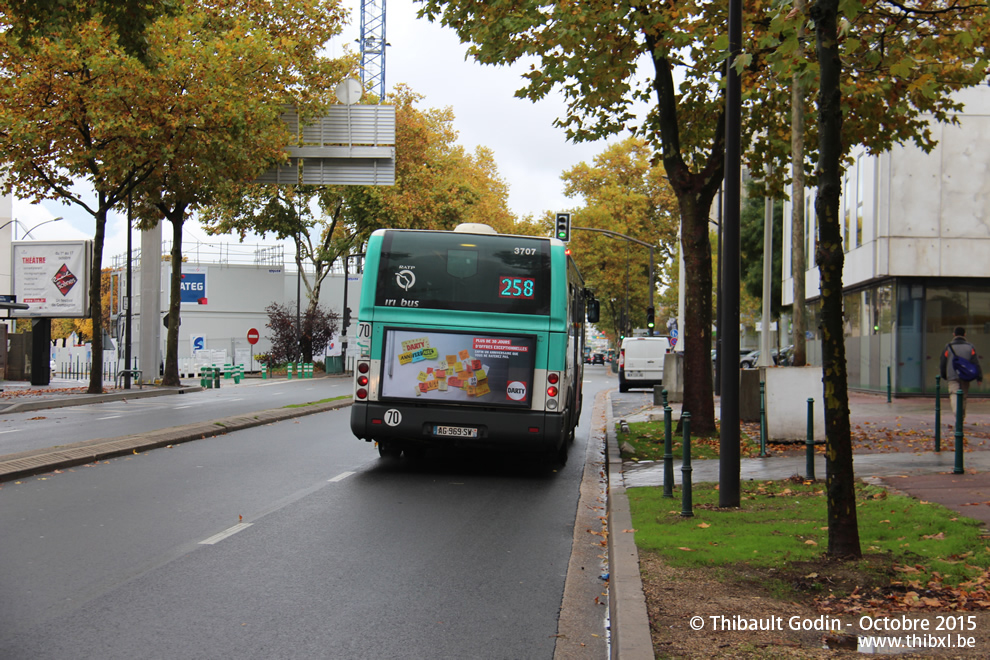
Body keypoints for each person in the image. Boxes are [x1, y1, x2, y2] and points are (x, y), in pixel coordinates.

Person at [940, 326, 983, 424]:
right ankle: (961, 416)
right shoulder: (970, 347)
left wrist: (944, 375)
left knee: (954, 394)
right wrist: (979, 377)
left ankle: (957, 413)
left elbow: (943, 362)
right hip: (965, 376)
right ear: (965, 334)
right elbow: (975, 362)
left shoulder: (948, 346)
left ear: (954, 334)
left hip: (952, 376)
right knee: (963, 396)